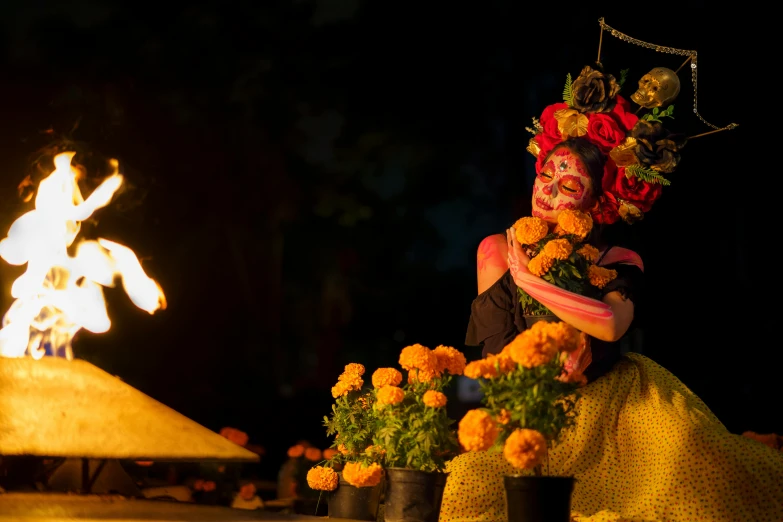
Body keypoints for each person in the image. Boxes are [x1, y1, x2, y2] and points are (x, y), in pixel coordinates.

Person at [439, 63, 783, 522]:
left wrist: (531, 282)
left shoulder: (619, 258)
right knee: (470, 485)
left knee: (690, 466)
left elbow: (611, 322)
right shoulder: (499, 249)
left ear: (598, 201)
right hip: (532, 406)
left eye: (568, 185)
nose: (547, 192)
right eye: (545, 176)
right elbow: (494, 351)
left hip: (614, 403)